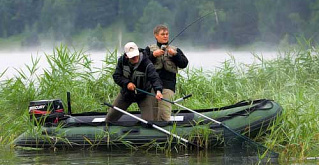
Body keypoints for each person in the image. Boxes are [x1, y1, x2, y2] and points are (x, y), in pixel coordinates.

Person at [105, 42, 163, 122]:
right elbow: (116, 76)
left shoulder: (147, 63)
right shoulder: (122, 61)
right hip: (126, 94)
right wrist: (127, 83)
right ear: (126, 56)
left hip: (144, 95)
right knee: (109, 119)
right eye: (132, 56)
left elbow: (155, 78)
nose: (135, 58)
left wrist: (158, 91)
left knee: (148, 122)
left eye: (136, 55)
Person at [145, 24, 188, 121]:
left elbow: (184, 64)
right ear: (156, 35)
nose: (165, 36)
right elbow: (141, 64)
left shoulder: (175, 50)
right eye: (162, 34)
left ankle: (166, 133)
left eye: (167, 34)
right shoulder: (149, 49)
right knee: (153, 115)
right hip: (152, 87)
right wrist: (153, 55)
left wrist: (175, 55)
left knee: (164, 114)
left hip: (168, 86)